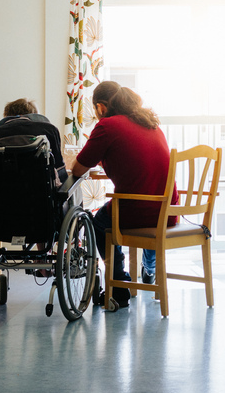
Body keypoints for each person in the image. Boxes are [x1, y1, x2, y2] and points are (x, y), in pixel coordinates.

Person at [69, 81, 175, 309]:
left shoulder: (107, 126)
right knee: (132, 202)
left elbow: (77, 169)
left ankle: (119, 285)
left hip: (140, 210)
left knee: (99, 223)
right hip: (168, 211)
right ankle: (148, 269)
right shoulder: (150, 123)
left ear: (100, 107)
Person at [0, 98, 66, 182]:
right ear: (34, 115)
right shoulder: (49, 130)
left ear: (7, 116)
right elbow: (59, 167)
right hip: (41, 187)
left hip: (2, 188)